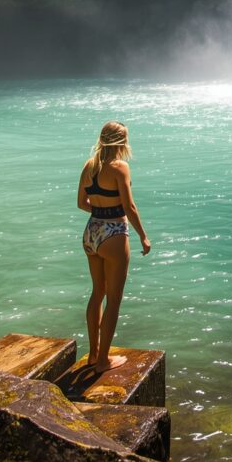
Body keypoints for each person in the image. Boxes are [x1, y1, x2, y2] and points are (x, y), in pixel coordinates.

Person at [77, 121, 151, 373]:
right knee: (114, 300)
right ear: (121, 142)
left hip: (91, 232)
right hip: (114, 234)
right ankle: (103, 361)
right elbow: (129, 207)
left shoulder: (89, 165)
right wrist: (143, 236)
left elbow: (81, 203)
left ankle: (93, 354)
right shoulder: (120, 167)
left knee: (97, 292)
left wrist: (101, 209)